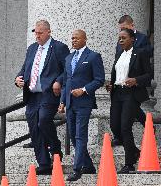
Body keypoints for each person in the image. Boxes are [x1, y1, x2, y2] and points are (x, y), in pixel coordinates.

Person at [15, 20, 69, 175]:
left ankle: (56, 148)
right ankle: (44, 163)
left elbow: (67, 69)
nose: (37, 36)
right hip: (32, 95)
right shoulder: (32, 48)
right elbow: (25, 69)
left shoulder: (59, 47)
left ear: (48, 32)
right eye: (35, 33)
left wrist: (59, 80)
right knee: (34, 128)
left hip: (48, 93)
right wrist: (17, 79)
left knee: (44, 120)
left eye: (40, 33)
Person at [58, 29, 105, 181]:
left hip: (84, 103)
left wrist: (84, 90)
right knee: (72, 135)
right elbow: (66, 82)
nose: (74, 40)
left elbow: (99, 79)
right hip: (70, 103)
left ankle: (77, 169)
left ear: (85, 39)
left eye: (77, 38)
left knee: (80, 135)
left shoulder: (93, 56)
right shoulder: (69, 58)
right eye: (72, 38)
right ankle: (89, 165)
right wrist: (62, 102)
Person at [106, 28, 151, 173]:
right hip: (117, 93)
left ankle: (129, 164)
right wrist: (111, 84)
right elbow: (116, 74)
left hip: (131, 94)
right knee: (115, 126)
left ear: (133, 39)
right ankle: (135, 151)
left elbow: (149, 75)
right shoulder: (119, 54)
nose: (120, 40)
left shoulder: (140, 53)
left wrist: (136, 80)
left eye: (123, 38)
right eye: (119, 38)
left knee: (125, 127)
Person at [111, 15, 153, 147]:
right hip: (121, 84)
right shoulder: (121, 41)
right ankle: (146, 125)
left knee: (130, 113)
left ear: (132, 25)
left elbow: (147, 55)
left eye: (124, 28)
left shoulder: (142, 38)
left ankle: (131, 145)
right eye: (120, 29)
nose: (121, 34)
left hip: (135, 82)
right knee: (132, 110)